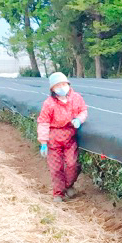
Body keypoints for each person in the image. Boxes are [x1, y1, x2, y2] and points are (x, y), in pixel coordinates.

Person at [37, 72, 88, 201]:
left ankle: (68, 185)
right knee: (56, 168)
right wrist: (43, 142)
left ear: (68, 84)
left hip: (69, 138)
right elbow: (43, 122)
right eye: (57, 85)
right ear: (52, 89)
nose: (61, 87)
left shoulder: (76, 98)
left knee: (72, 164)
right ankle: (58, 193)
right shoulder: (49, 103)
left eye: (63, 84)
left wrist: (79, 119)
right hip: (53, 140)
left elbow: (83, 110)